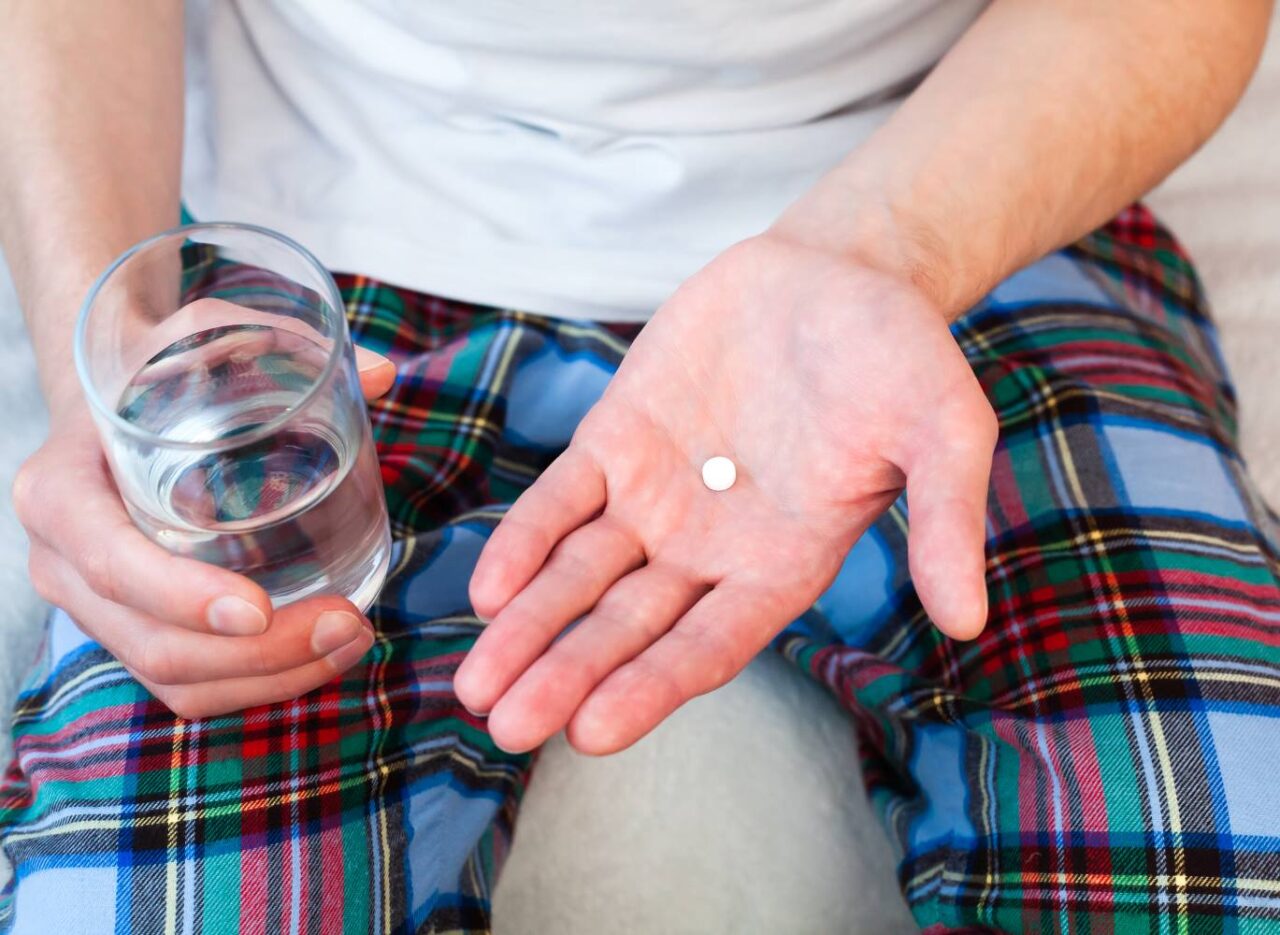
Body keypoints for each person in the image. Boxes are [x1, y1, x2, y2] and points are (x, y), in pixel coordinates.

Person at [1, 0, 1277, 931]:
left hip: (951, 187)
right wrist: (105, 365)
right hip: (316, 237)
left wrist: (883, 248)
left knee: (1222, 851)